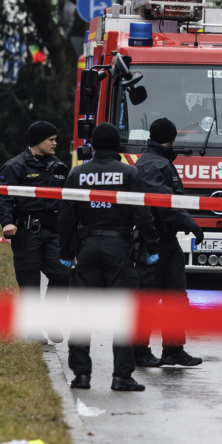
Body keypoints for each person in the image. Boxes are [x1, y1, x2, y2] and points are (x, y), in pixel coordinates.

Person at [58, 123, 160, 392]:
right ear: (117, 146)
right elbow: (142, 214)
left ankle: (81, 376)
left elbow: (66, 216)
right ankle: (121, 377)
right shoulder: (129, 173)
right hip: (119, 248)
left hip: (87, 246)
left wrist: (66, 252)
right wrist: (151, 246)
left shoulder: (77, 173)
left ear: (91, 145)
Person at [132, 118, 205, 369]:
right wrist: (192, 226)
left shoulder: (155, 160)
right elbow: (165, 205)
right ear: (172, 136)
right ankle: (139, 351)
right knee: (149, 298)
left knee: (175, 297)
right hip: (153, 241)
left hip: (165, 241)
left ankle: (173, 351)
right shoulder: (155, 164)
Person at [0, 121, 71, 342]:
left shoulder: (59, 167)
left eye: (55, 139)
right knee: (29, 280)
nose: (55, 143)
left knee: (63, 275)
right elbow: (2, 197)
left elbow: (68, 199)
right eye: (51, 139)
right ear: (38, 141)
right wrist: (6, 222)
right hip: (27, 232)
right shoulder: (15, 166)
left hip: (54, 232)